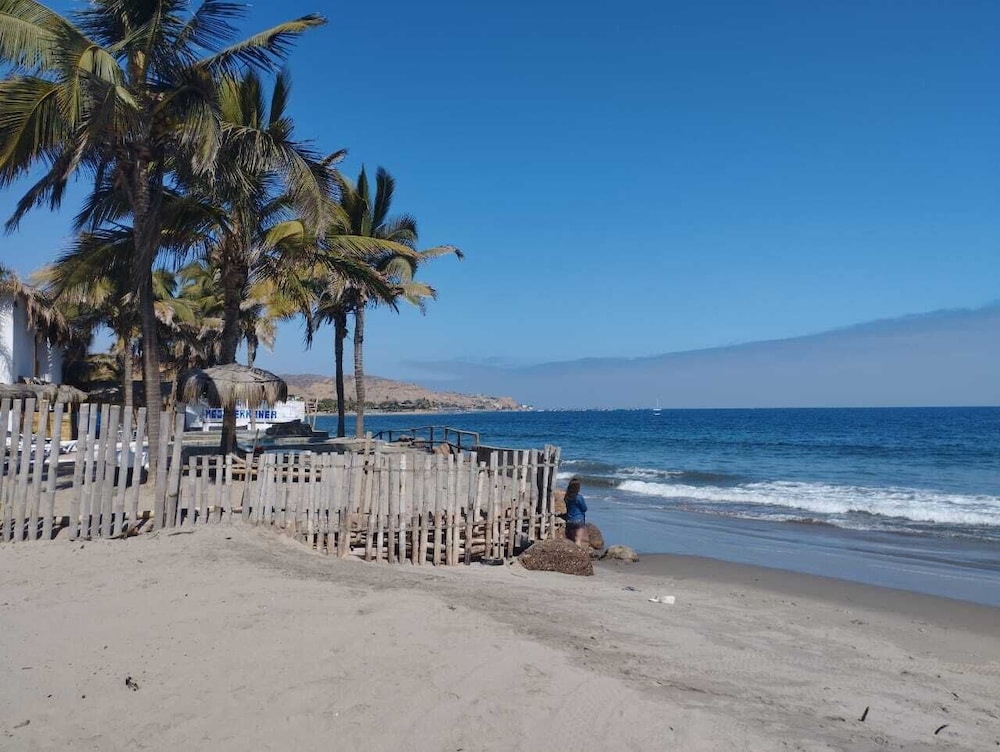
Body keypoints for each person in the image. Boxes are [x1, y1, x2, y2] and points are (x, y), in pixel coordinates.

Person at [563, 476, 588, 546]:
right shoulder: (579, 497)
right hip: (578, 520)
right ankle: (578, 551)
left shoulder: (567, 497)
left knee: (572, 539)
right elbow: (584, 509)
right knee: (578, 540)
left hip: (569, 520)